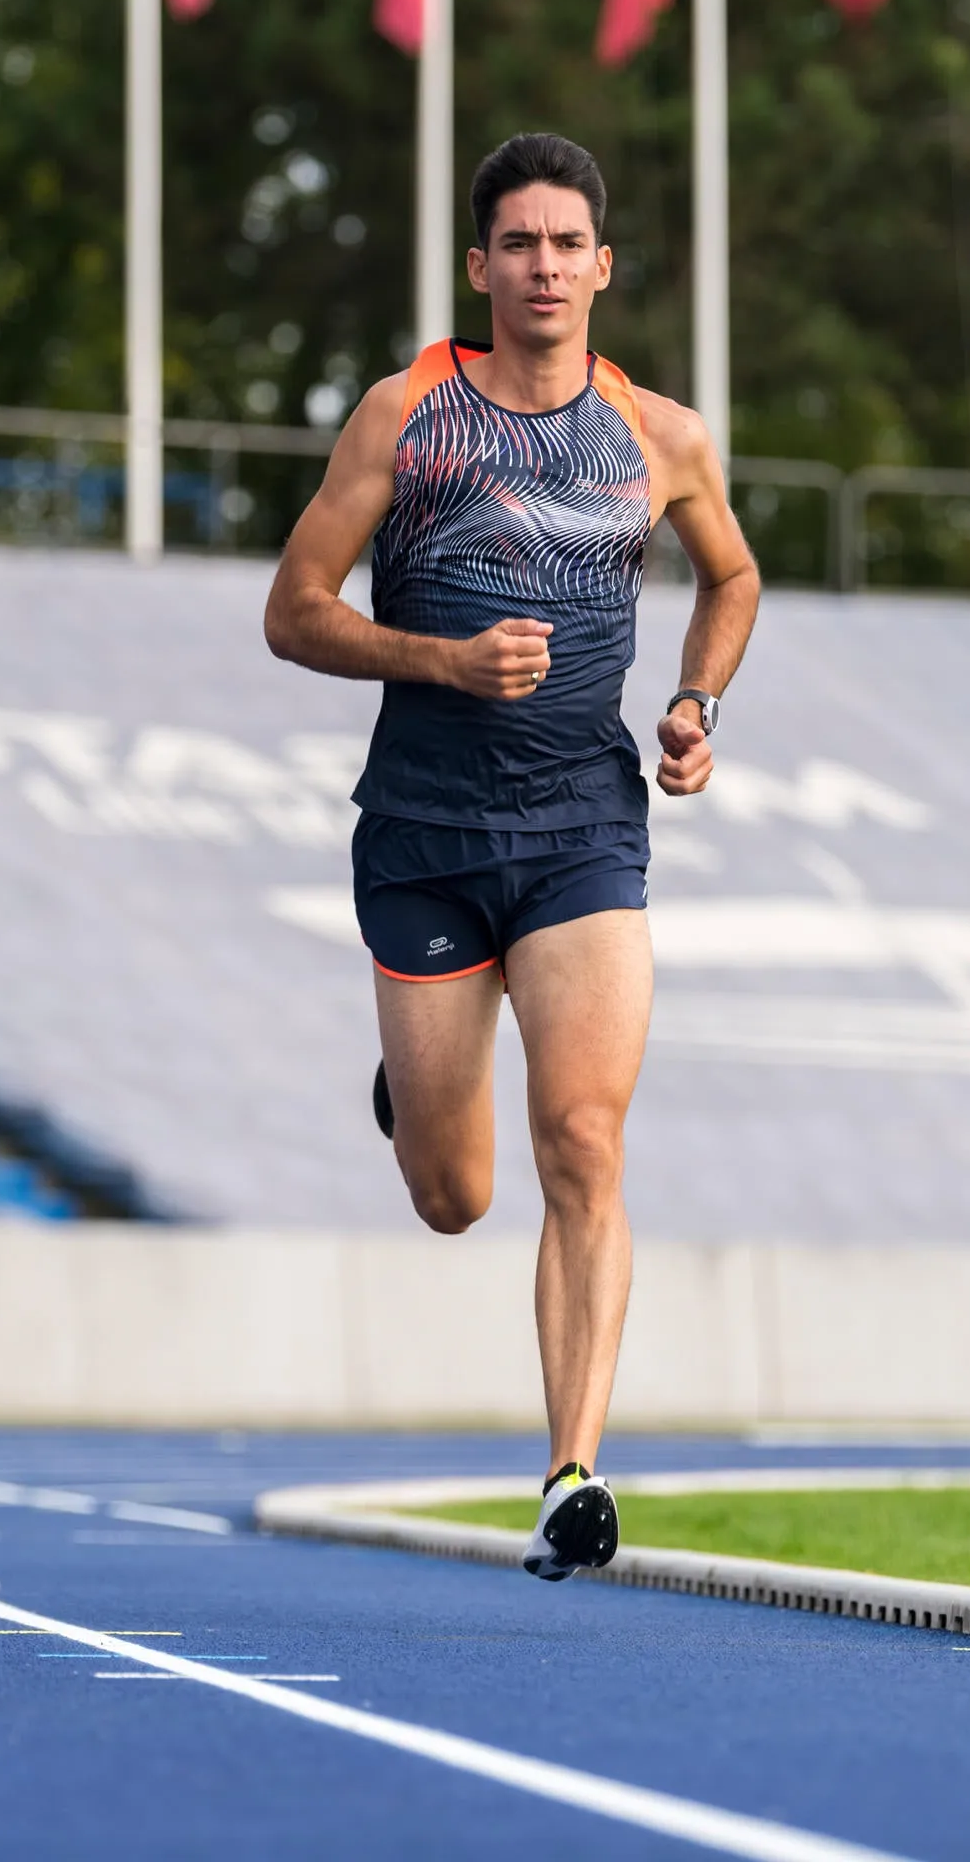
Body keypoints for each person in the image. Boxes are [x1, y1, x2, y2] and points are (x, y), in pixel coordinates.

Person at [263, 133, 760, 1580]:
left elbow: (730, 576)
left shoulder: (661, 437)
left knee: (586, 1143)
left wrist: (694, 701)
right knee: (453, 1195)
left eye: (568, 244)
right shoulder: (407, 415)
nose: (544, 266)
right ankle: (417, 1098)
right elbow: (293, 610)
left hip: (583, 831)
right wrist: (441, 659)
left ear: (603, 267)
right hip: (422, 835)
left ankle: (571, 1474)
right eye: (518, 244)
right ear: (480, 267)